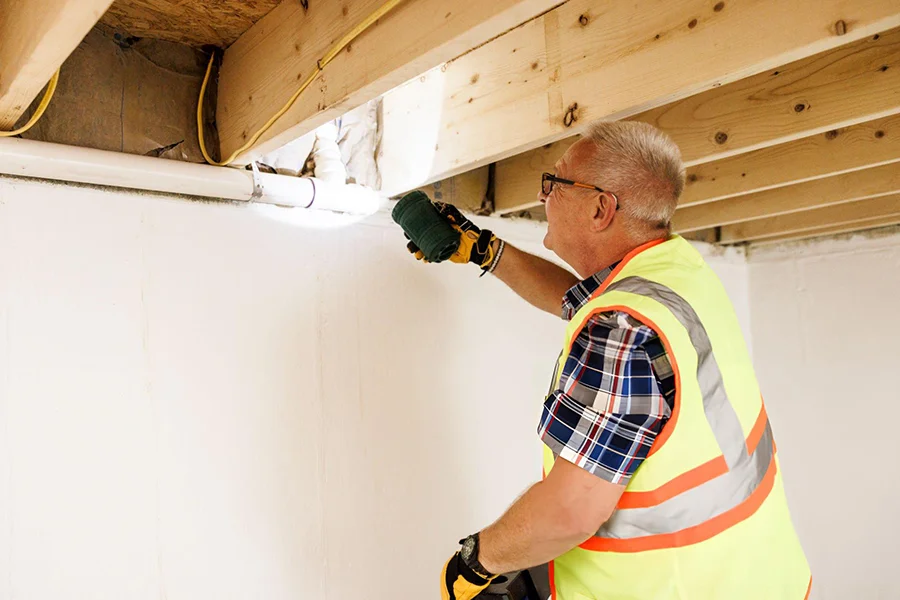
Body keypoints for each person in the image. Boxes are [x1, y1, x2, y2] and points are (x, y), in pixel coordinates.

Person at [405, 121, 811, 600]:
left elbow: (571, 511)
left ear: (600, 208)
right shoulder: (677, 272)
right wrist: (486, 251)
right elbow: (585, 301)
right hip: (760, 576)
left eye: (554, 183)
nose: (542, 197)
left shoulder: (621, 328)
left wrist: (475, 562)